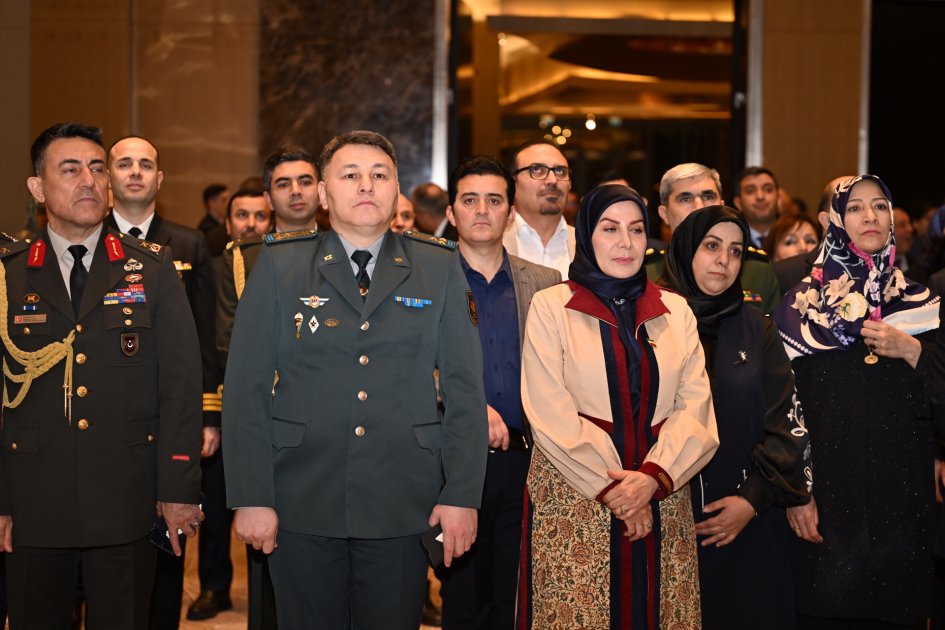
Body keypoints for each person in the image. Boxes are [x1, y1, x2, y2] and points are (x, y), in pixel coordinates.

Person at [222, 130, 488, 629]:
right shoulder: (280, 263)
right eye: (350, 175)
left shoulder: (438, 265)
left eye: (379, 175)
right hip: (301, 496)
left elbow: (465, 391)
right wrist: (251, 495)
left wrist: (461, 495)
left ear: (396, 190)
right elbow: (245, 389)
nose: (366, 185)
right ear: (324, 194)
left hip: (402, 500)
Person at [0, 123, 203, 629]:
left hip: (126, 499)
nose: (88, 181)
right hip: (33, 500)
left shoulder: (151, 269)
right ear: (37, 187)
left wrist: (178, 488)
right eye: (70, 170)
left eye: (96, 168)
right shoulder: (9, 274)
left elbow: (180, 386)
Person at [517, 184, 718, 629]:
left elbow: (696, 408)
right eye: (610, 229)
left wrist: (651, 480)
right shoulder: (551, 307)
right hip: (578, 498)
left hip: (663, 495)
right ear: (587, 235)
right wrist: (618, 492)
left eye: (636, 229)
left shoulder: (676, 310)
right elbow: (548, 410)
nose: (625, 242)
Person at [774, 174, 940, 628]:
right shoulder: (799, 308)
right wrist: (796, 492)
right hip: (825, 503)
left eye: (880, 206)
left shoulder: (923, 304)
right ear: (835, 221)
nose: (870, 216)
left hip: (903, 504)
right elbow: (782, 411)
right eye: (855, 207)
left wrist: (914, 352)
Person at [660, 205, 812, 629]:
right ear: (686, 250)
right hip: (667, 521)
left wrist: (751, 501)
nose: (723, 261)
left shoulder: (757, 328)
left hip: (748, 524)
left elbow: (787, 425)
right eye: (711, 246)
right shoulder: (652, 322)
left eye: (735, 250)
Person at [436, 155, 560, 629]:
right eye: (470, 200)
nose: (482, 210)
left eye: (494, 200)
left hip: (526, 460)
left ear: (510, 213)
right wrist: (470, 407)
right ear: (452, 212)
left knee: (516, 596)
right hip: (452, 459)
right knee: (463, 596)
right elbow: (410, 363)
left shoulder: (545, 284)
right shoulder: (427, 279)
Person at [106, 135, 224, 629]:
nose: (135, 172)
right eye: (124, 163)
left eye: (145, 164)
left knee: (166, 542)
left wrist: (208, 415)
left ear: (160, 179)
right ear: (107, 177)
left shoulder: (188, 243)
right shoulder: (90, 239)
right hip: (108, 414)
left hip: (169, 416)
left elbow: (203, 336)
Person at [648, 163, 782, 313]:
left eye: (708, 196)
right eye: (685, 199)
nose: (699, 207)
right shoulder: (646, 273)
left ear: (722, 206)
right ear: (664, 214)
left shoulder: (756, 270)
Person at [502, 140, 575, 279]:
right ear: (512, 183)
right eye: (537, 170)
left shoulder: (589, 246)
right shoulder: (490, 244)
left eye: (560, 171)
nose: (552, 180)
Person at [733, 166, 780, 248]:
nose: (760, 196)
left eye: (768, 189)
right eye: (750, 191)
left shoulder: (794, 236)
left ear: (778, 197)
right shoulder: (732, 239)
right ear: (738, 203)